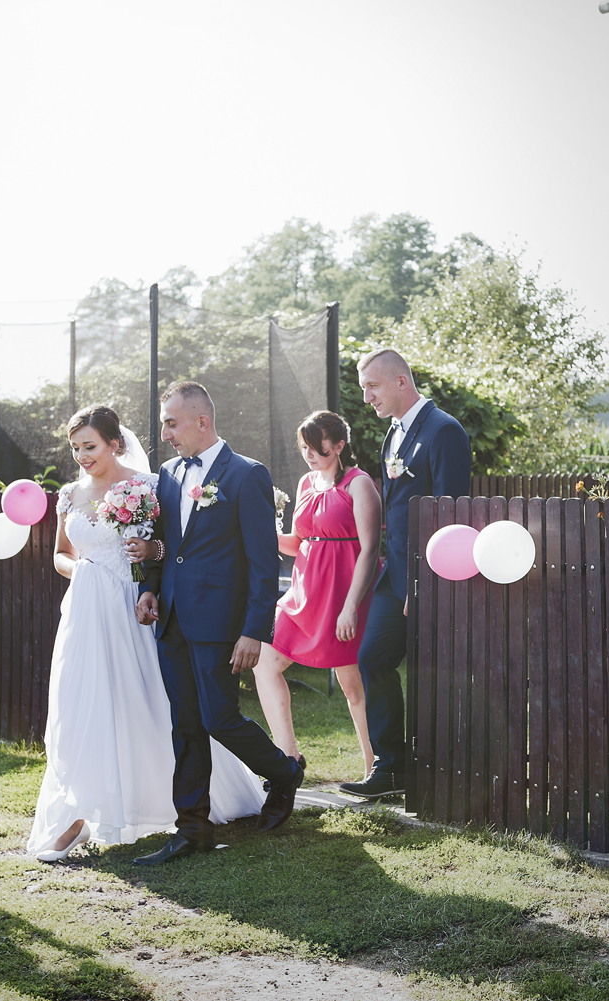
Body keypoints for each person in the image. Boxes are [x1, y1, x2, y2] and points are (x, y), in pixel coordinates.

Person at [27, 405, 265, 862]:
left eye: (89, 446)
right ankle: (79, 814)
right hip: (87, 608)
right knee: (81, 703)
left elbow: (175, 548)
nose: (81, 456)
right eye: (75, 448)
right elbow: (61, 554)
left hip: (138, 607)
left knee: (153, 703)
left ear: (115, 443)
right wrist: (84, 571)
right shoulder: (70, 494)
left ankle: (180, 802)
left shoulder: (152, 485)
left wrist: (147, 553)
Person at [133, 381, 306, 865]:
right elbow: (165, 543)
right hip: (171, 620)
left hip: (219, 622)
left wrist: (254, 630)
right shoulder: (168, 474)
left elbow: (262, 561)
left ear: (202, 421)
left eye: (171, 423)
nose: (164, 434)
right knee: (185, 725)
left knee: (218, 719)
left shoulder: (247, 474)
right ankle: (192, 828)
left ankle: (285, 772)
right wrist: (149, 587)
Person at [338, 349, 471, 801]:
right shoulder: (393, 433)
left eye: (372, 386)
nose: (367, 397)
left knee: (433, 673)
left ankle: (444, 770)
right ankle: (391, 767)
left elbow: (451, 514)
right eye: (363, 388)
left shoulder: (444, 431)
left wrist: (424, 583)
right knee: (372, 658)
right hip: (393, 575)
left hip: (427, 576)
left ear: (401, 381)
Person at [252, 410, 380, 774]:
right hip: (303, 593)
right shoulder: (306, 483)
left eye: (315, 445)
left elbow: (370, 549)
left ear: (339, 445)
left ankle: (375, 767)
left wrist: (350, 606)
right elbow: (298, 543)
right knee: (264, 661)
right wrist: (262, 530)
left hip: (344, 595)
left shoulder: (359, 484)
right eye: (304, 446)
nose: (308, 453)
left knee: (352, 686)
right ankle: (288, 760)